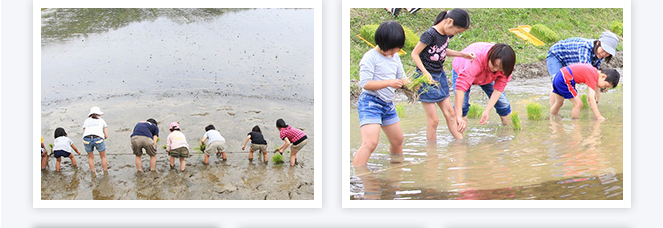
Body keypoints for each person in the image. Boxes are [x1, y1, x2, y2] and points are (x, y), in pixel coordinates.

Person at [410, 8, 475, 141]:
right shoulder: (429, 34)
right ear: (449, 21)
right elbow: (414, 54)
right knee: (434, 120)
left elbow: (442, 50)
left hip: (440, 76)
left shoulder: (446, 34)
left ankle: (460, 144)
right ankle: (432, 154)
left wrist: (463, 55)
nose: (455, 34)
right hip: (426, 79)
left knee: (451, 113)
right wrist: (425, 72)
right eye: (456, 31)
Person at [353, 21, 408, 167]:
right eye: (390, 51)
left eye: (395, 51)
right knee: (370, 143)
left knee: (398, 140)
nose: (392, 54)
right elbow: (365, 83)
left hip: (388, 104)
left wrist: (413, 85)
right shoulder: (370, 58)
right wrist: (390, 83)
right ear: (381, 43)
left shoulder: (395, 57)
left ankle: (396, 170)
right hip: (370, 103)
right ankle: (358, 175)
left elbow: (402, 77)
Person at [452, 42, 517, 132]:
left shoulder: (505, 68)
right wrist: (459, 116)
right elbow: (460, 90)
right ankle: (460, 139)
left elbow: (498, 89)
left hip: (488, 77)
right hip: (463, 67)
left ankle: (507, 134)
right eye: (494, 65)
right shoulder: (474, 61)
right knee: (462, 106)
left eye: (500, 69)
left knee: (503, 104)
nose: (495, 69)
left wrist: (487, 110)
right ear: (490, 57)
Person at [546, 31, 620, 105]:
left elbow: (596, 74)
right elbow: (587, 73)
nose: (604, 54)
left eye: (607, 53)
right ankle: (553, 113)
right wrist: (592, 94)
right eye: (603, 50)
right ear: (598, 43)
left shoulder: (600, 54)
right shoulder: (585, 48)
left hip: (570, 60)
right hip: (556, 55)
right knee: (557, 81)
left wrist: (598, 91)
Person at [549, 63, 620, 121]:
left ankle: (552, 120)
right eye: (606, 85)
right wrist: (599, 116)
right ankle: (574, 124)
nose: (604, 87)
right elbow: (591, 99)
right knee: (578, 104)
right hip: (565, 79)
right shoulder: (593, 76)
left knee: (558, 103)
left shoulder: (593, 71)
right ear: (603, 77)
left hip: (559, 75)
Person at [82, 106, 109, 173]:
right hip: (98, 138)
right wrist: (105, 136)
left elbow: (84, 130)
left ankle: (93, 172)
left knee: (90, 157)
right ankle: (105, 171)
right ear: (99, 114)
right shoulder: (101, 120)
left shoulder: (86, 121)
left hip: (87, 138)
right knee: (103, 157)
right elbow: (105, 129)